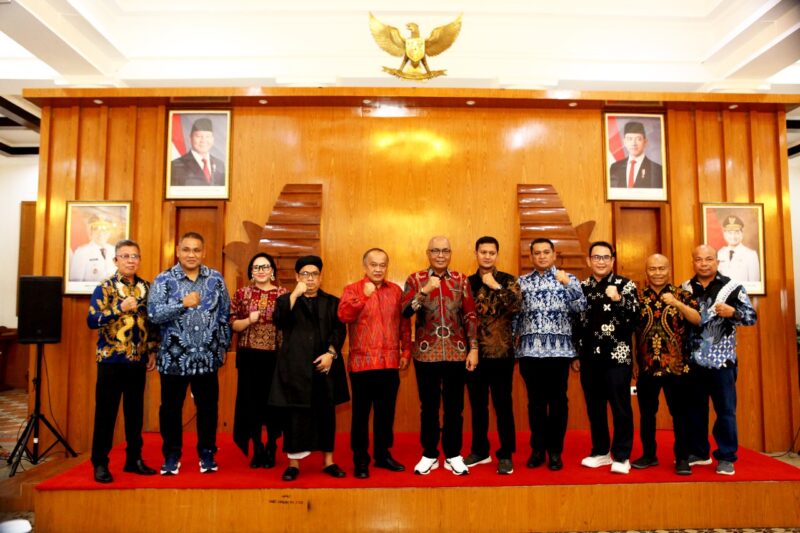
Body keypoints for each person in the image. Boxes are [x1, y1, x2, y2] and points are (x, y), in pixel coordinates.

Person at [148, 232, 231, 475]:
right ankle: (172, 454)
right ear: (177, 251)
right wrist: (181, 304)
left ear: (203, 252)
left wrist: (222, 347)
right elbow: (153, 315)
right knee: (171, 409)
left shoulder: (215, 279)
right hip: (174, 359)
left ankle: (207, 452)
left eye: (196, 250)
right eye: (186, 249)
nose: (191, 254)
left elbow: (225, 314)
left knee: (208, 409)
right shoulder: (163, 280)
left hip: (207, 359)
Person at [402, 236, 479, 476]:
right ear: (428, 253)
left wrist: (474, 348)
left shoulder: (460, 280)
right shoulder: (415, 279)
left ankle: (454, 454)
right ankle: (430, 454)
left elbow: (470, 316)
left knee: (455, 408)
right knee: (429, 408)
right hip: (426, 354)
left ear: (450, 253)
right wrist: (424, 291)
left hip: (457, 353)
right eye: (435, 251)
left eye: (445, 250)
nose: (440, 255)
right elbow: (405, 312)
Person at [270, 255, 348, 482]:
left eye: (314, 274)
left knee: (326, 414)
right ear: (297, 276)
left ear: (321, 276)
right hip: (294, 368)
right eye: (305, 274)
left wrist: (331, 355)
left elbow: (339, 331)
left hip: (325, 366)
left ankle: (328, 462)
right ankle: (293, 464)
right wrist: (295, 293)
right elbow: (280, 321)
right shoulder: (286, 301)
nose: (310, 278)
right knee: (295, 416)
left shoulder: (332, 302)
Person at [681, 244, 757, 476]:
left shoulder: (733, 288)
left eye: (708, 259)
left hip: (723, 363)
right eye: (698, 259)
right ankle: (699, 452)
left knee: (725, 411)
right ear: (693, 261)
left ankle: (726, 456)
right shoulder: (684, 288)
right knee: (695, 410)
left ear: (717, 261)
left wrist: (733, 313)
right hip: (692, 362)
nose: (703, 263)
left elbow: (752, 317)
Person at [87, 239, 158, 483]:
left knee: (135, 414)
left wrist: (152, 350)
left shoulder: (147, 288)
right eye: (125, 256)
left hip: (137, 362)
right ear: (116, 260)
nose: (131, 260)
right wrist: (119, 308)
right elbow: (92, 320)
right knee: (106, 414)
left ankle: (134, 459)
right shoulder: (105, 287)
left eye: (135, 256)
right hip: (110, 361)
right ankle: (100, 463)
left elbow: (151, 323)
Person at [338, 248, 411, 479]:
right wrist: (364, 297)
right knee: (360, 414)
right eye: (373, 265)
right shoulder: (352, 290)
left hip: (389, 362)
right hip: (362, 364)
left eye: (382, 265)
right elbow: (344, 316)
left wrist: (406, 351)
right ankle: (360, 459)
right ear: (365, 266)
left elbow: (404, 325)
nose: (378, 269)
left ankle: (382, 454)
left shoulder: (396, 291)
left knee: (385, 413)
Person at [514, 238, 585, 472]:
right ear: (531, 257)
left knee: (558, 403)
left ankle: (555, 451)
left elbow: (581, 310)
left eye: (546, 252)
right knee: (535, 403)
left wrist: (569, 285)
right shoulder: (521, 283)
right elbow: (514, 318)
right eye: (537, 253)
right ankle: (537, 450)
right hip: (530, 352)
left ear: (554, 255)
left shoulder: (568, 279)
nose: (542, 256)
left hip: (559, 352)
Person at [574, 241, 639, 474]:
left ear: (612, 260)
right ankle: (601, 452)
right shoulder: (581, 287)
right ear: (589, 261)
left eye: (605, 257)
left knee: (620, 408)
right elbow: (576, 323)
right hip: (589, 358)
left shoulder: (626, 285)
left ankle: (622, 455)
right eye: (596, 257)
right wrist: (576, 354)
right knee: (595, 408)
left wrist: (618, 299)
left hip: (617, 357)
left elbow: (634, 319)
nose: (601, 261)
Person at [633, 254, 700, 475]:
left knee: (680, 414)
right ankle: (649, 455)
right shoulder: (637, 296)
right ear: (646, 271)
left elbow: (697, 319)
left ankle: (682, 458)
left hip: (677, 367)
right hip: (647, 366)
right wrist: (634, 361)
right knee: (646, 414)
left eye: (662, 268)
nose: (657, 272)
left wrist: (678, 304)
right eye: (653, 269)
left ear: (669, 269)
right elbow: (630, 331)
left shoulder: (683, 294)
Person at [465, 236, 521, 475]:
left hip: (502, 353)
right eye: (483, 252)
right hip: (474, 354)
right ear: (476, 253)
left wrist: (495, 286)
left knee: (503, 405)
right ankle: (480, 450)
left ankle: (506, 453)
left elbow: (518, 306)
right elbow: (463, 319)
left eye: (491, 252)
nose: (487, 256)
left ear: (497, 255)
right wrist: (471, 349)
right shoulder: (466, 283)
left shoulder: (508, 280)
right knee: (478, 406)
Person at [230, 252, 288, 469]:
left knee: (273, 404)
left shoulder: (284, 295)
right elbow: (232, 323)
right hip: (249, 358)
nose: (261, 270)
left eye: (265, 267)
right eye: (256, 267)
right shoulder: (242, 293)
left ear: (272, 270)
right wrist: (247, 320)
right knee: (251, 404)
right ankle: (257, 446)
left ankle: (272, 445)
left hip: (276, 358)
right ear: (251, 272)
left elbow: (292, 325)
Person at [170, 118, 226, 187]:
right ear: (190, 138)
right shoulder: (175, 166)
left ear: (212, 139)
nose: (203, 140)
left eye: (208, 136)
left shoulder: (220, 165)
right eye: (199, 136)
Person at [609, 121, 663, 189]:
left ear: (645, 142)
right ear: (625, 142)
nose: (634, 143)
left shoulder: (657, 170)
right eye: (630, 139)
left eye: (638, 139)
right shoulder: (615, 167)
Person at [70, 215, 117, 282]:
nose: (101, 234)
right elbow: (75, 282)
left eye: (105, 231)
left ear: (109, 233)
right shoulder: (82, 252)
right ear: (91, 232)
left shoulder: (114, 250)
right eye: (97, 230)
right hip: (90, 292)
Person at [716, 215, 760, 282]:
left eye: (737, 232)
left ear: (742, 233)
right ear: (724, 234)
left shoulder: (751, 255)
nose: (733, 236)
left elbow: (755, 284)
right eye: (729, 233)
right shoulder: (720, 253)